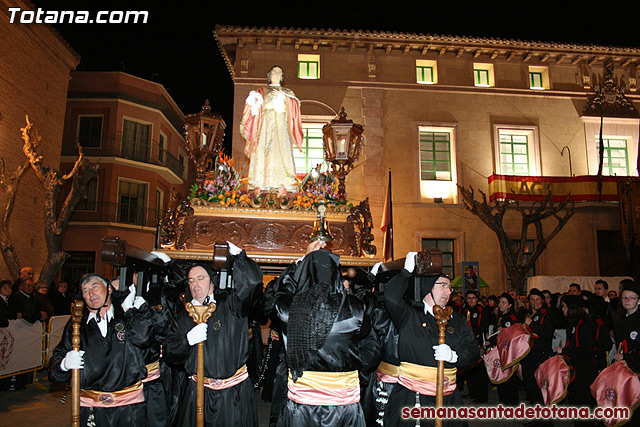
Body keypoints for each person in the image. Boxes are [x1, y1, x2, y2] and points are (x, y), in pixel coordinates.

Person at [163, 242, 263, 427]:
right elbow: (170, 352)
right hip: (197, 393)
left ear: (212, 280)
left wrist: (239, 256)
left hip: (233, 394)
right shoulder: (184, 316)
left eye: (200, 278)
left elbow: (253, 284)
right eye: (191, 280)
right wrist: (187, 341)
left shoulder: (231, 305)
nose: (195, 284)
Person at [273, 240, 370, 426]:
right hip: (343, 407)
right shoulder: (356, 308)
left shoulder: (288, 310)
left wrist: (301, 262)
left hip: (304, 406)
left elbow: (281, 291)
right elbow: (364, 332)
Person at [383, 252, 478, 427]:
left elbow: (473, 349)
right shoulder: (410, 314)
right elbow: (390, 297)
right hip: (413, 396)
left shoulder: (457, 319)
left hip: (448, 397)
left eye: (450, 288)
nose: (448, 291)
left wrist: (455, 357)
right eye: (443, 285)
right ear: (428, 287)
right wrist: (406, 272)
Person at [49, 273, 152, 426]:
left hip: (128, 408)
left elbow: (144, 338)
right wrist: (63, 364)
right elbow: (54, 372)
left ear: (109, 289)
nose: (91, 293)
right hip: (91, 408)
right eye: (85, 290)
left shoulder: (126, 315)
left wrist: (131, 311)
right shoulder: (76, 325)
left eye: (95, 286)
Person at [240, 65, 303, 193]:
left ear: (282, 77)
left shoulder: (287, 93)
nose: (276, 74)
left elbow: (295, 106)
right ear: (269, 75)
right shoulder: (262, 91)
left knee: (281, 152)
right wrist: (253, 102)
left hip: (281, 128)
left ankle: (285, 184)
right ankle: (260, 183)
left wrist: (282, 97)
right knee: (264, 152)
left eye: (279, 72)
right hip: (265, 127)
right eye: (274, 72)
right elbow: (253, 108)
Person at [554, 295, 597, 423]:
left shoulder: (584, 326)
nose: (563, 310)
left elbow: (586, 350)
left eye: (564, 307)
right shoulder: (573, 324)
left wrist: (565, 351)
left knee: (582, 405)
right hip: (575, 368)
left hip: (583, 370)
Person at [520, 288, 556, 418]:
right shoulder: (531, 314)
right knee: (531, 389)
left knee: (539, 389)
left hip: (539, 355)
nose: (535, 302)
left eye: (537, 300)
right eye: (532, 300)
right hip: (529, 355)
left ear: (542, 301)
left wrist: (531, 325)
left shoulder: (546, 315)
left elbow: (547, 333)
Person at [492, 292, 520, 406]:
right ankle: (503, 401)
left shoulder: (511, 317)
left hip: (508, 351)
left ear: (509, 305)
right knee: (501, 376)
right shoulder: (500, 317)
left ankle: (511, 403)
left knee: (509, 378)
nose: (500, 305)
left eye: (504, 302)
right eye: (500, 302)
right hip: (500, 350)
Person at [462, 289, 489, 403]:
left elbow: (483, 326)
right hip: (467, 343)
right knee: (470, 369)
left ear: (477, 299)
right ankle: (472, 392)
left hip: (478, 342)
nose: (471, 300)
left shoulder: (482, 310)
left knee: (480, 371)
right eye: (469, 298)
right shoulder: (464, 310)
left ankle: (482, 395)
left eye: (473, 298)